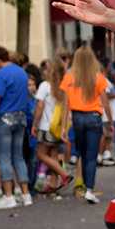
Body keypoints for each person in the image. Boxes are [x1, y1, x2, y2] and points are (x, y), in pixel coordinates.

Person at [60, 45, 112, 204]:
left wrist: (63, 126)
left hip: (77, 118)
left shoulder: (69, 77)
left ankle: (83, 186)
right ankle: (89, 189)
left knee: (82, 153)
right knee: (91, 156)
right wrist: (109, 121)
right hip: (94, 117)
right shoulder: (98, 77)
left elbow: (65, 104)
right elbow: (105, 101)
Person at [0, 46, 32, 209]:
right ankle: (25, 194)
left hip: (4, 119)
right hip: (21, 118)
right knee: (19, 157)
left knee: (4, 158)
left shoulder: (1, 74)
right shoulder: (21, 72)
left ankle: (9, 197)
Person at [31, 59, 72, 193]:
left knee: (41, 154)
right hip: (58, 127)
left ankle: (64, 174)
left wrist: (34, 124)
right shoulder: (64, 87)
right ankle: (53, 185)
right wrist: (64, 128)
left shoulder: (44, 86)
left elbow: (40, 106)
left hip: (45, 126)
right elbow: (66, 108)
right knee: (53, 154)